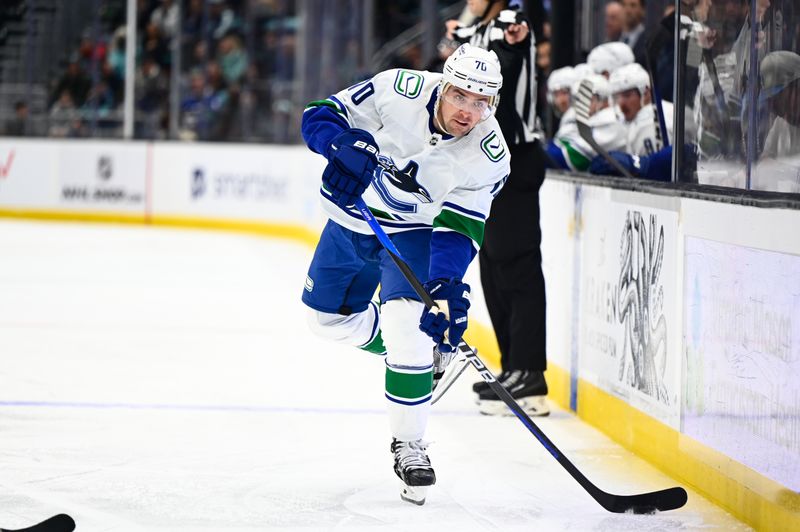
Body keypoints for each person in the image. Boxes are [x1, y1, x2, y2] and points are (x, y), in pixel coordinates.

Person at [300, 43, 509, 504]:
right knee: (326, 322)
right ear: (443, 85)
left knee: (404, 325)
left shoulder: (490, 154)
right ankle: (415, 349)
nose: (468, 111)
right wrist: (340, 143)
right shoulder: (399, 88)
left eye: (482, 102)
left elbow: (461, 225)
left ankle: (410, 443)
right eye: (460, 96)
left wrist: (447, 281)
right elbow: (318, 114)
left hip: (411, 234)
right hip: (350, 218)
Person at [446, 0, 550, 416]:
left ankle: (529, 372)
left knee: (517, 264)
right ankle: (514, 369)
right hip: (487, 163)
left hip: (515, 158)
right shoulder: (478, 31)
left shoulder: (510, 22)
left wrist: (514, 35)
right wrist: (460, 31)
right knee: (493, 265)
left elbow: (513, 41)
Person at [609, 62, 674, 156]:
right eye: (617, 97)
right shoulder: (662, 108)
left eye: (627, 95)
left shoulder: (648, 125)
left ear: (646, 93)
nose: (621, 103)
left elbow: (655, 169)